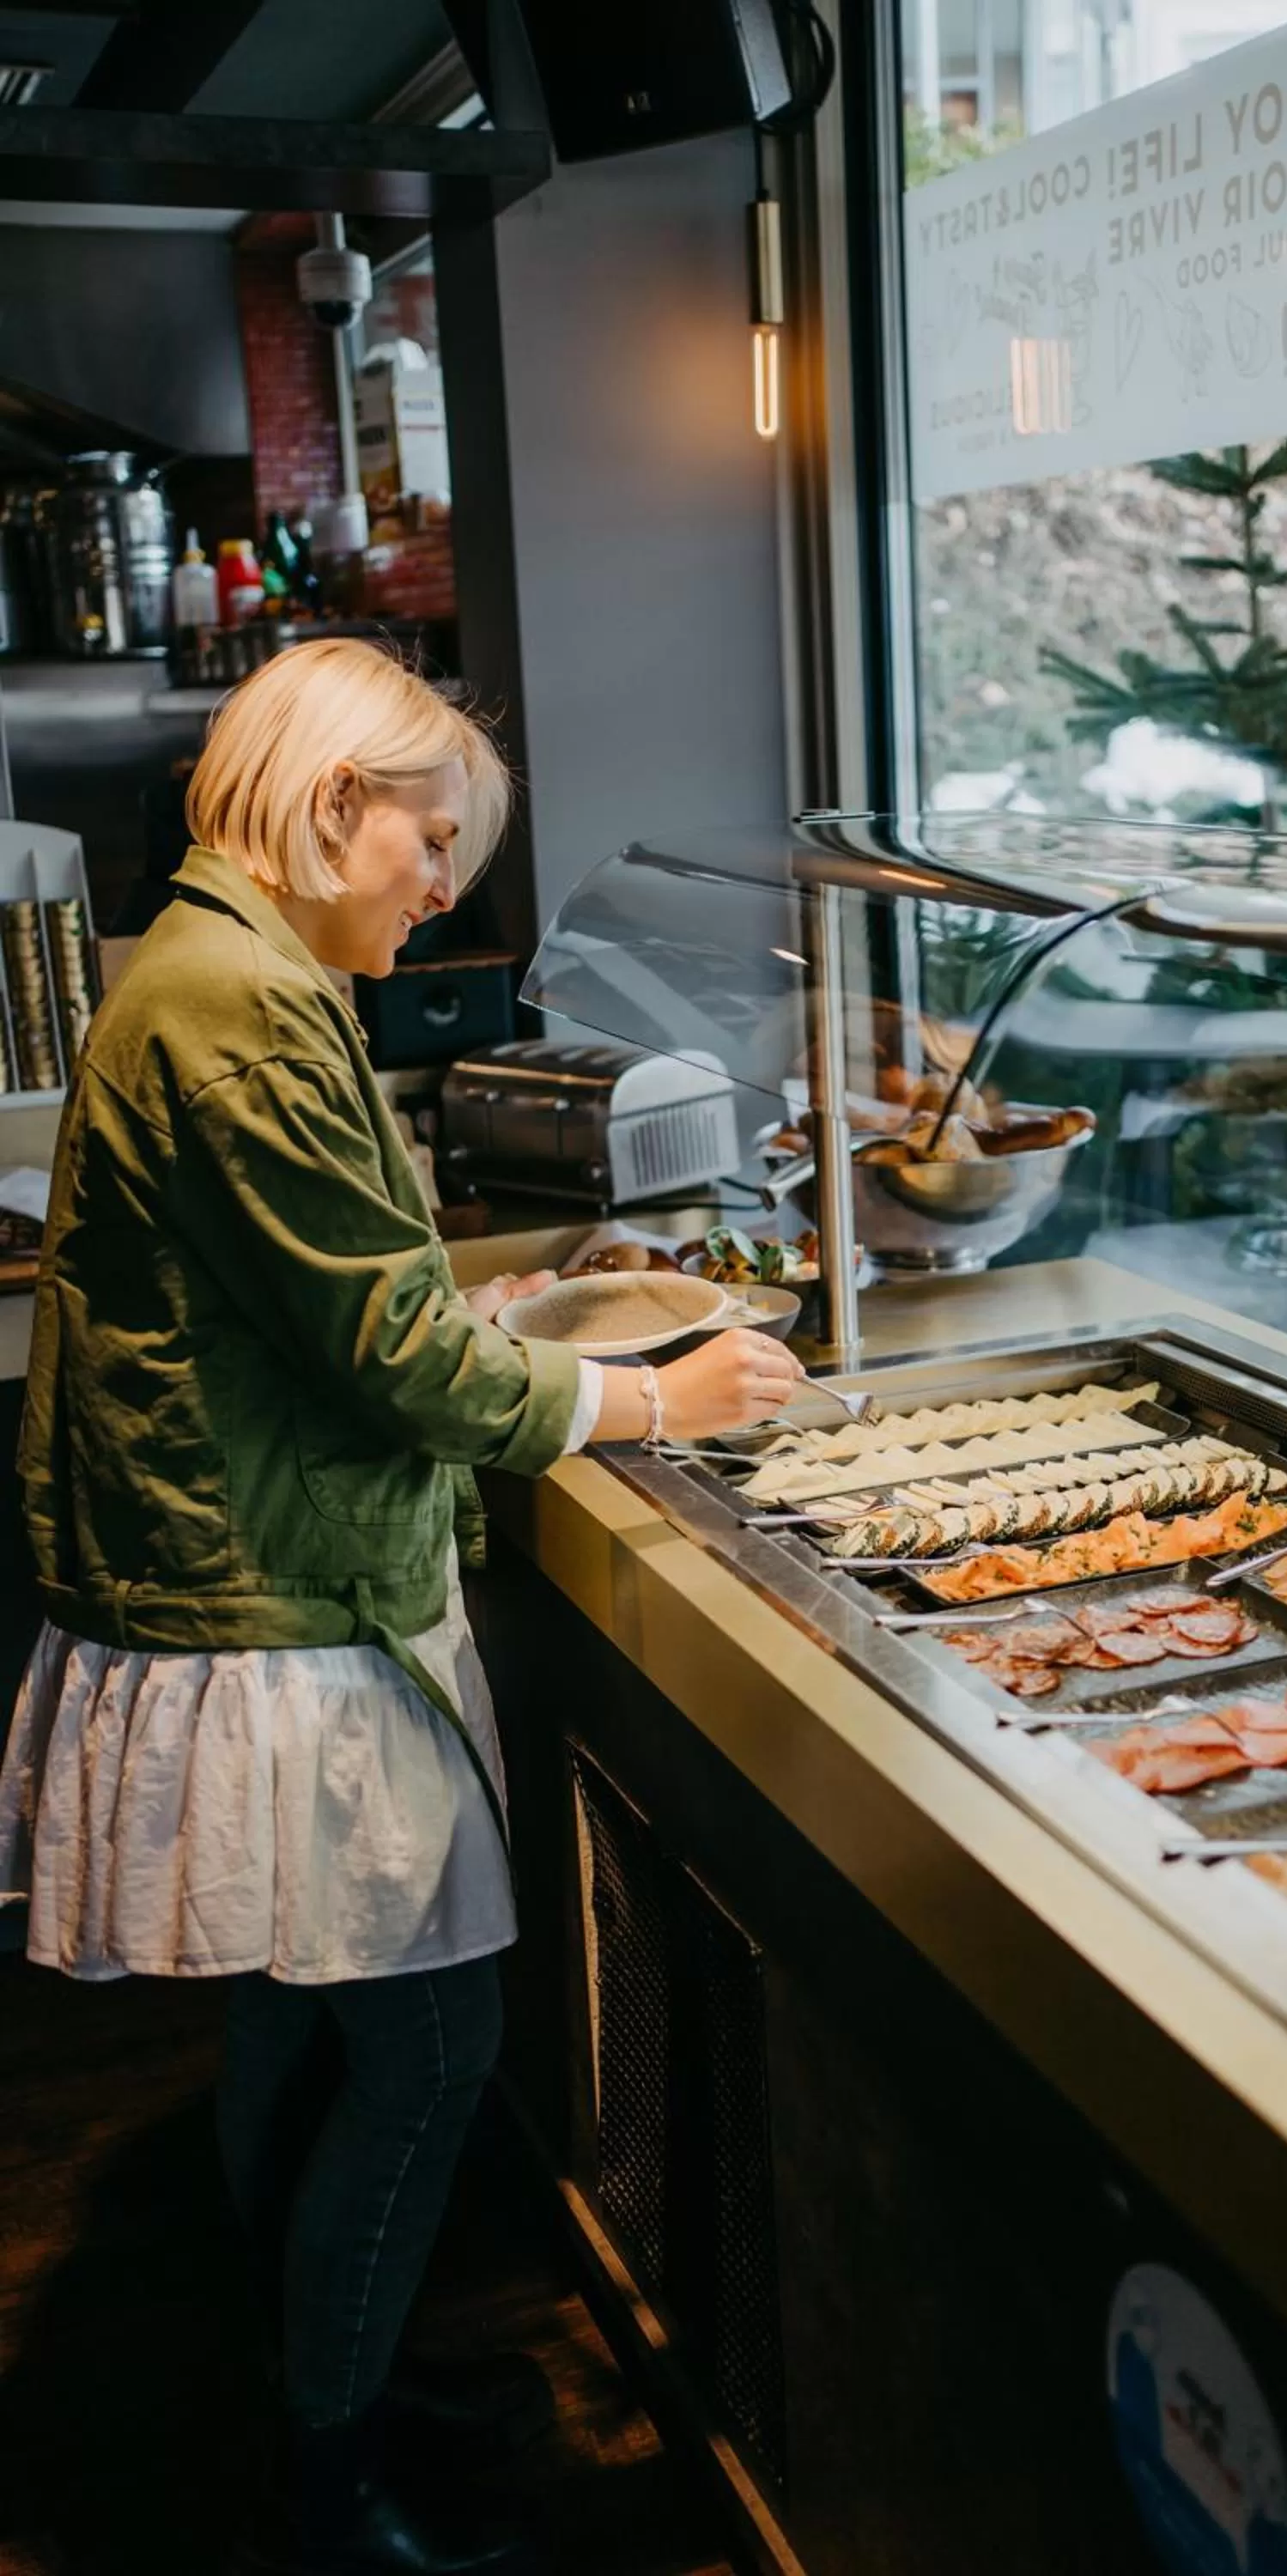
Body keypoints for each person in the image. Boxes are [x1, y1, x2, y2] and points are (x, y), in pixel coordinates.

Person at [0, 637, 804, 2574]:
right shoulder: (238, 1012)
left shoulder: (213, 975)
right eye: (426, 841)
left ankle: (317, 2375)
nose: (440, 889)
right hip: (276, 1604)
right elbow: (377, 1346)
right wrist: (638, 1391)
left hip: (256, 1571)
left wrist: (502, 1312)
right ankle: (331, 2482)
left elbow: (327, 1299)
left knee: (310, 2026)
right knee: (430, 2047)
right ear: (325, 805)